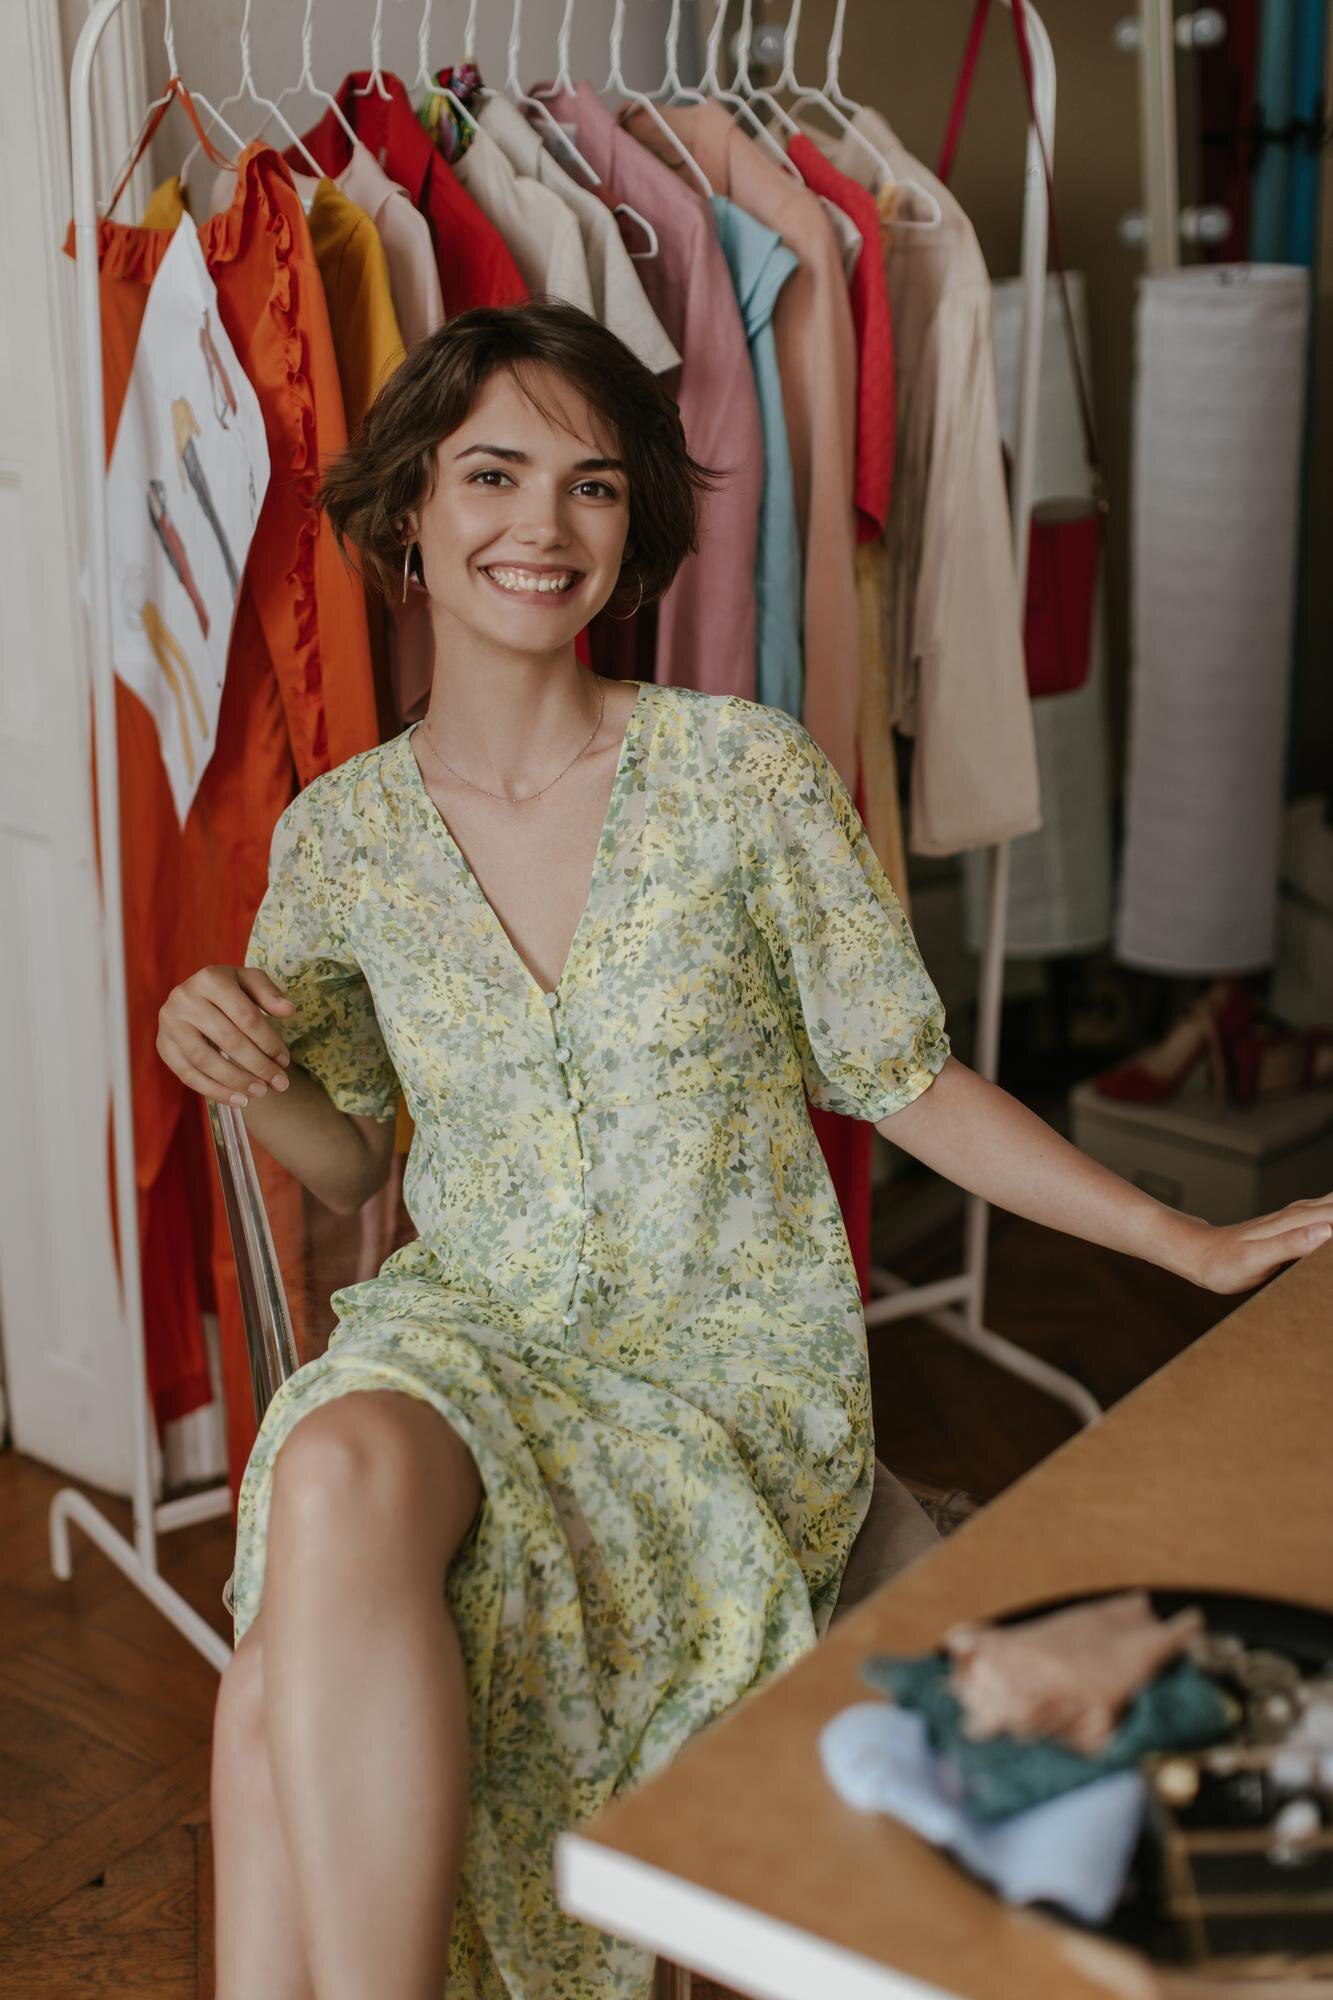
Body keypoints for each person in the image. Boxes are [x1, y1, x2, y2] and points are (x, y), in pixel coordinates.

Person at [156, 300, 1333, 2000]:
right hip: (465, 1332)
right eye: (491, 476)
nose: (540, 529)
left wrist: (1185, 1241)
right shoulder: (340, 841)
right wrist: (238, 1069)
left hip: (714, 1368)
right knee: (332, 1470)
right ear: (410, 507)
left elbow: (904, 1081)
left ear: (634, 527)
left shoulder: (741, 780)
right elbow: (343, 1170)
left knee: (271, 1684)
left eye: (591, 487)